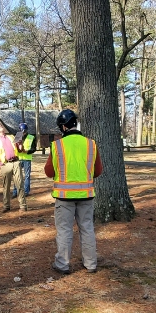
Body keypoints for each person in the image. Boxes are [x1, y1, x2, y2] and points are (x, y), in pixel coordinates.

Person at [45, 109, 103, 275]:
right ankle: (91, 264)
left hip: (64, 198)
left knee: (64, 231)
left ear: (63, 127)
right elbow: (98, 171)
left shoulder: (57, 146)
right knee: (87, 229)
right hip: (86, 196)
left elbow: (49, 172)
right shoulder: (91, 144)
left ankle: (62, 264)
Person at [0, 123, 26, 213]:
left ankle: (23, 206)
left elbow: (20, 149)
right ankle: (6, 206)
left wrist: (20, 143)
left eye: (0, 125)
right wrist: (0, 164)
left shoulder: (11, 137)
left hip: (16, 162)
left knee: (20, 184)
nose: (0, 126)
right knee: (6, 186)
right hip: (5, 165)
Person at [12, 123, 37, 198]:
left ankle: (26, 191)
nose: (23, 133)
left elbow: (34, 149)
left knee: (27, 176)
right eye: (22, 132)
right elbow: (14, 147)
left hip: (27, 159)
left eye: (24, 132)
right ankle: (15, 192)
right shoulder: (17, 136)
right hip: (18, 158)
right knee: (16, 176)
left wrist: (27, 151)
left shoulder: (31, 137)